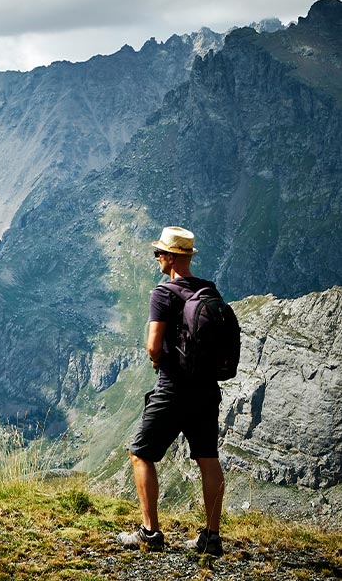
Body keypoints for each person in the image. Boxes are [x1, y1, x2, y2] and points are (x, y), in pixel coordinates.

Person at [116, 226, 225, 555]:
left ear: (172, 258)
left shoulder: (162, 293)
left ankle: (150, 533)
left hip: (174, 388)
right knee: (208, 459)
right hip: (207, 389)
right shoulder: (209, 289)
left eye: (159, 253)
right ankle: (212, 537)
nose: (157, 258)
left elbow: (153, 346)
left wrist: (157, 360)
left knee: (141, 454)